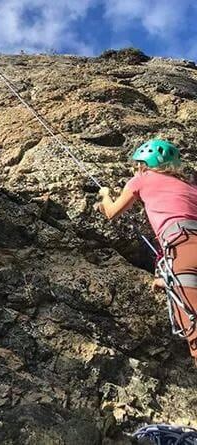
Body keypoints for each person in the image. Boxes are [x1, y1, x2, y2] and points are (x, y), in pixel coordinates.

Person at [96, 139, 197, 364]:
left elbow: (112, 212)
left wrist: (105, 196)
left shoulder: (142, 179)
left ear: (143, 164)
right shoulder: (191, 187)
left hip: (181, 249)